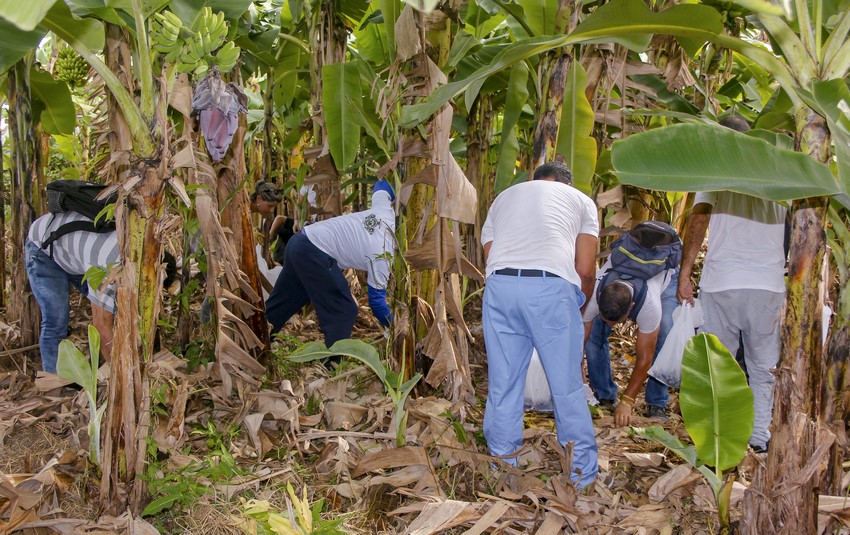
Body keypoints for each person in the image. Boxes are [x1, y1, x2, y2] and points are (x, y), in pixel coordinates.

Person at [480, 161, 598, 489]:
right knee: (567, 388)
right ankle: (582, 477)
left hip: (500, 286)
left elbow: (491, 255)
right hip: (550, 288)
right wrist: (575, 305)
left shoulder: (505, 197)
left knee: (504, 386)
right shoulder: (581, 202)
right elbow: (586, 269)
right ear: (568, 184)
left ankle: (504, 470)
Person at [677, 115, 786, 453]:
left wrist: (685, 274)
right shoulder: (780, 174)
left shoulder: (716, 173)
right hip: (767, 284)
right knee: (763, 366)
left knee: (717, 364)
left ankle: (718, 437)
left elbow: (698, 223)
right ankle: (758, 436)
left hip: (722, 281)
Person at [25, 211, 175, 374]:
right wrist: (121, 377)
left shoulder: (142, 248)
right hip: (44, 246)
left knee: (118, 309)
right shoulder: (111, 269)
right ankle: (53, 382)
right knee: (56, 319)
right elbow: (102, 326)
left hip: (76, 250)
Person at [265, 179, 395, 353]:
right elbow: (377, 302)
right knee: (343, 310)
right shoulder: (383, 254)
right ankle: (333, 365)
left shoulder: (384, 211)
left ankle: (254, 345)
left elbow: (382, 185)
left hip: (299, 242)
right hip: (313, 252)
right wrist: (395, 326)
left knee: (284, 302)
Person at [583, 261, 679, 425]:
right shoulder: (593, 294)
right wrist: (581, 384)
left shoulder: (649, 304)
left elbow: (645, 357)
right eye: (607, 319)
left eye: (615, 322)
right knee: (594, 332)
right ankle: (605, 394)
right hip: (625, 274)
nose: (611, 326)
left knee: (664, 331)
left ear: (632, 308)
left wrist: (627, 401)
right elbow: (579, 343)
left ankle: (656, 402)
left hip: (665, 273)